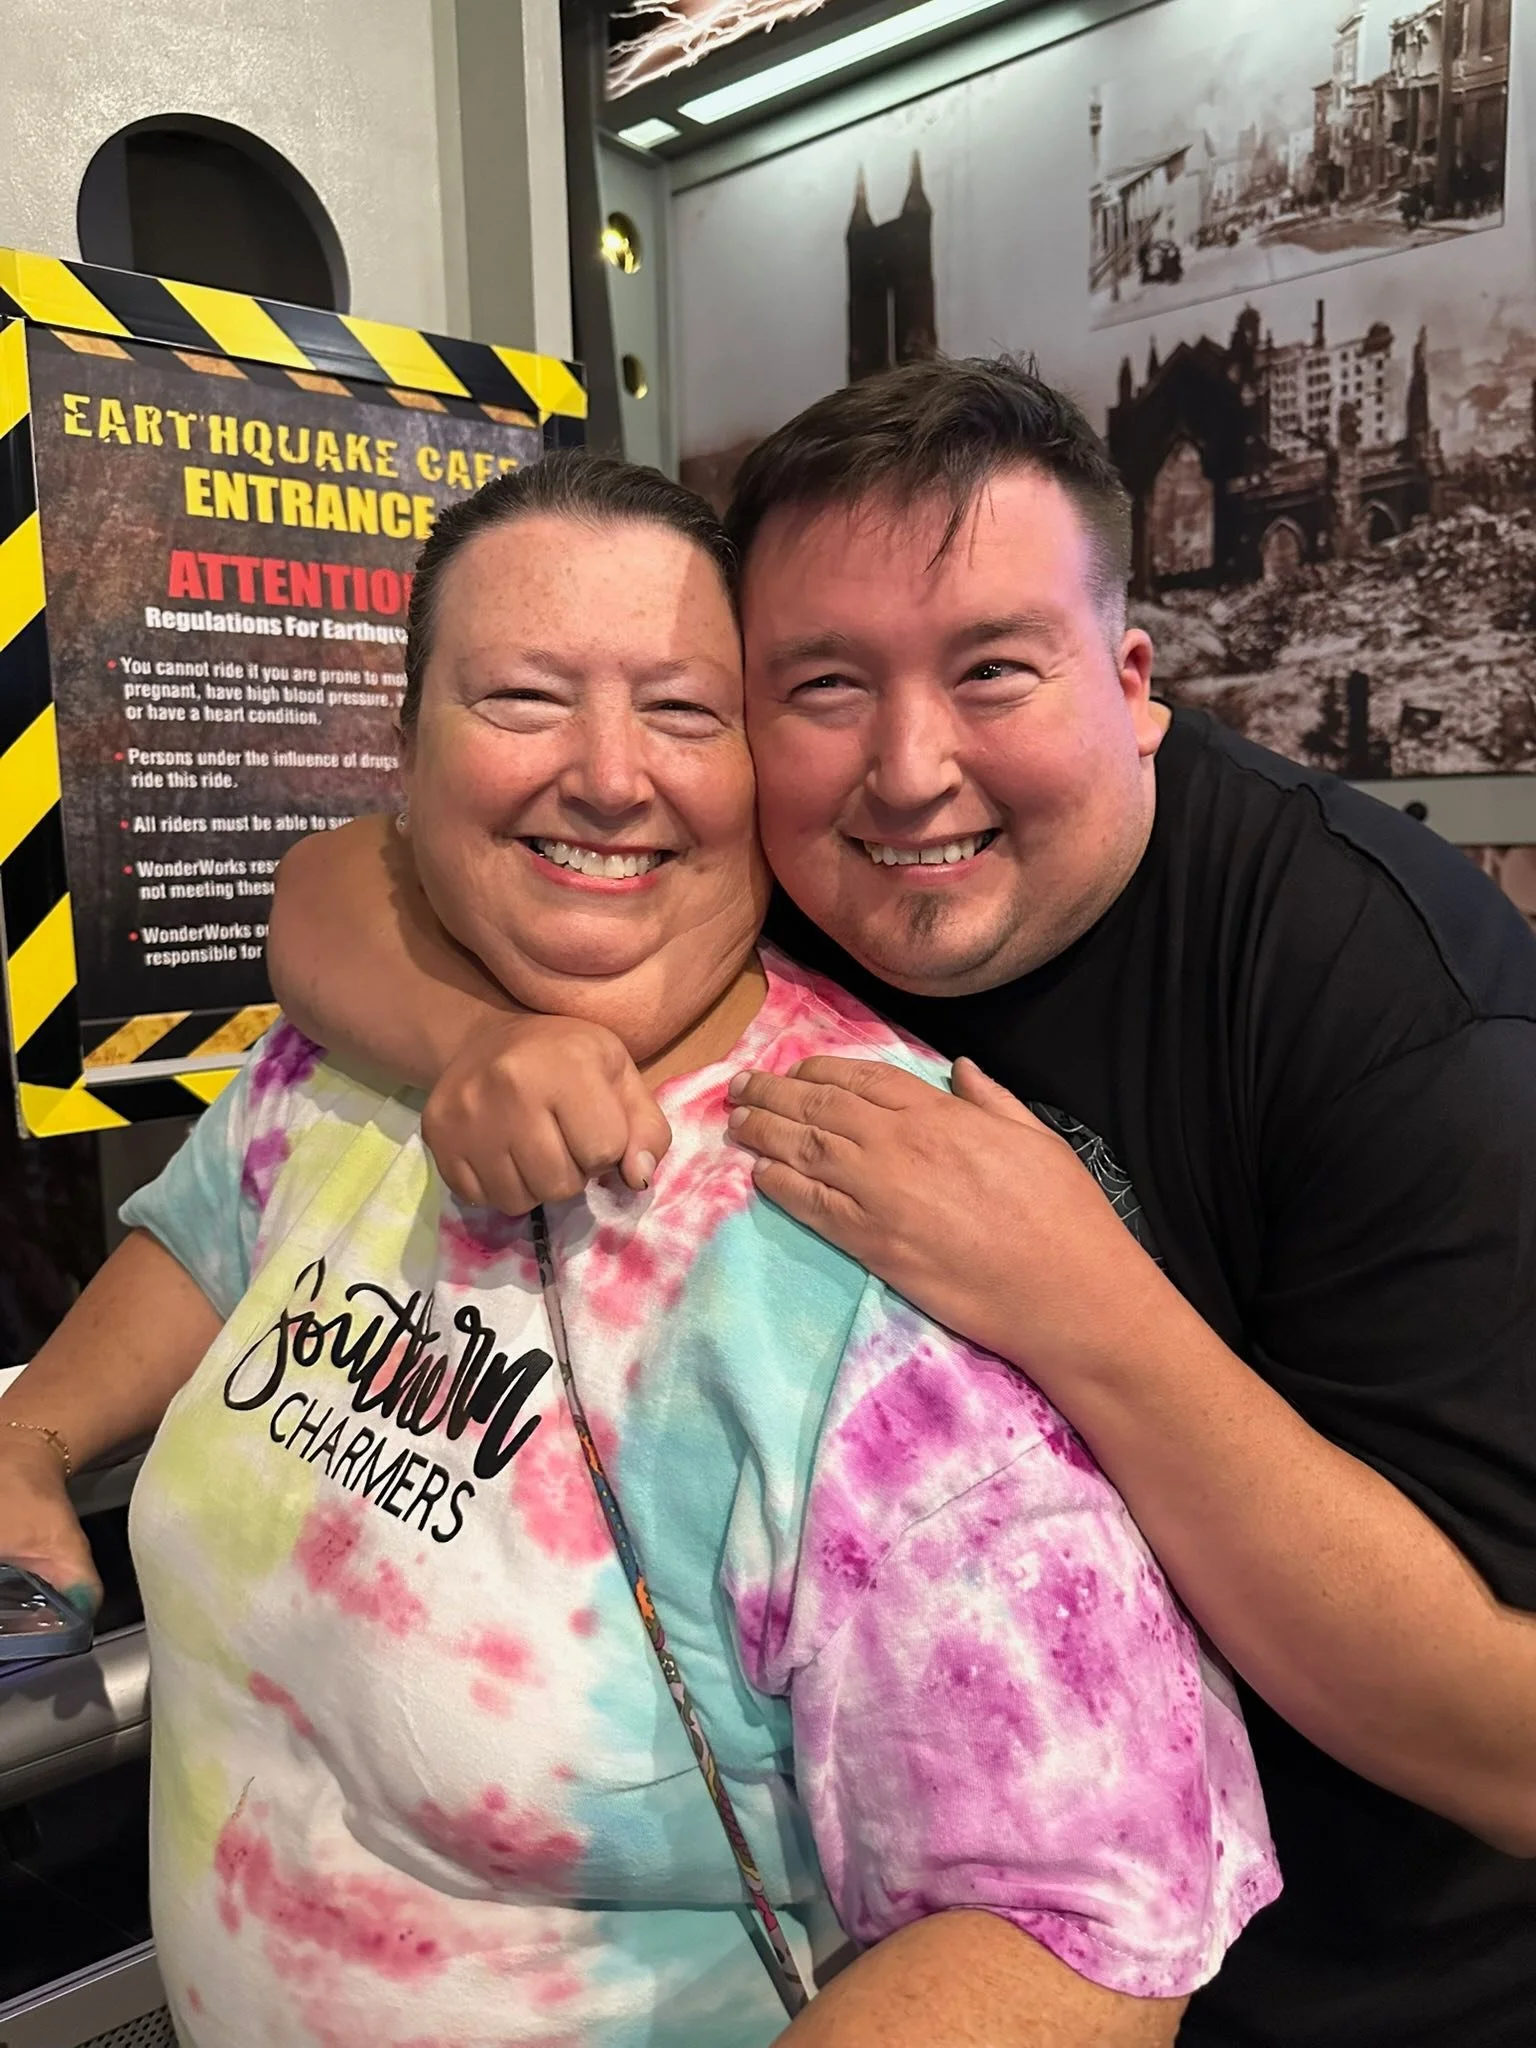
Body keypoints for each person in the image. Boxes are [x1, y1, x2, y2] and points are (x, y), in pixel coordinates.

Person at [268, 361, 1536, 2048]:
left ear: (1136, 681)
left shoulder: (1387, 1004)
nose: (909, 770)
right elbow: (349, 878)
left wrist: (1087, 1310)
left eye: (994, 671)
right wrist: (482, 1045)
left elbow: (1509, 1749)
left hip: (1358, 1977)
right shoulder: (793, 878)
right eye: (821, 686)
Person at [0, 454, 1276, 2047]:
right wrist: (33, 1433)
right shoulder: (351, 1064)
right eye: (524, 698)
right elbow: (215, 1230)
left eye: (682, 712)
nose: (607, 777)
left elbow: (1078, 1931)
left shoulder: (867, 1259)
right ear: (404, 753)